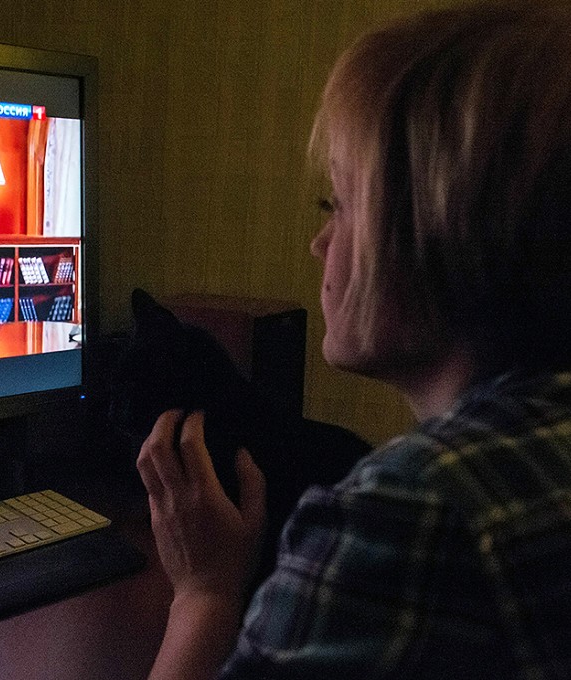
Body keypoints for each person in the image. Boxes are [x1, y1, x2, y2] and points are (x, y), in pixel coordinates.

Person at [136, 3, 571, 678]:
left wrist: (206, 594)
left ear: (436, 225)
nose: (319, 243)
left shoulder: (412, 514)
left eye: (339, 203)